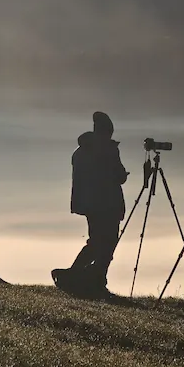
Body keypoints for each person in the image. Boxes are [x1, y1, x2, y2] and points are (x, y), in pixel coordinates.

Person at [52, 111, 128, 297]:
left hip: (90, 205)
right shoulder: (106, 150)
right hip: (107, 204)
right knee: (107, 244)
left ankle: (81, 277)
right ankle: (89, 279)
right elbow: (119, 176)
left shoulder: (81, 150)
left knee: (95, 243)